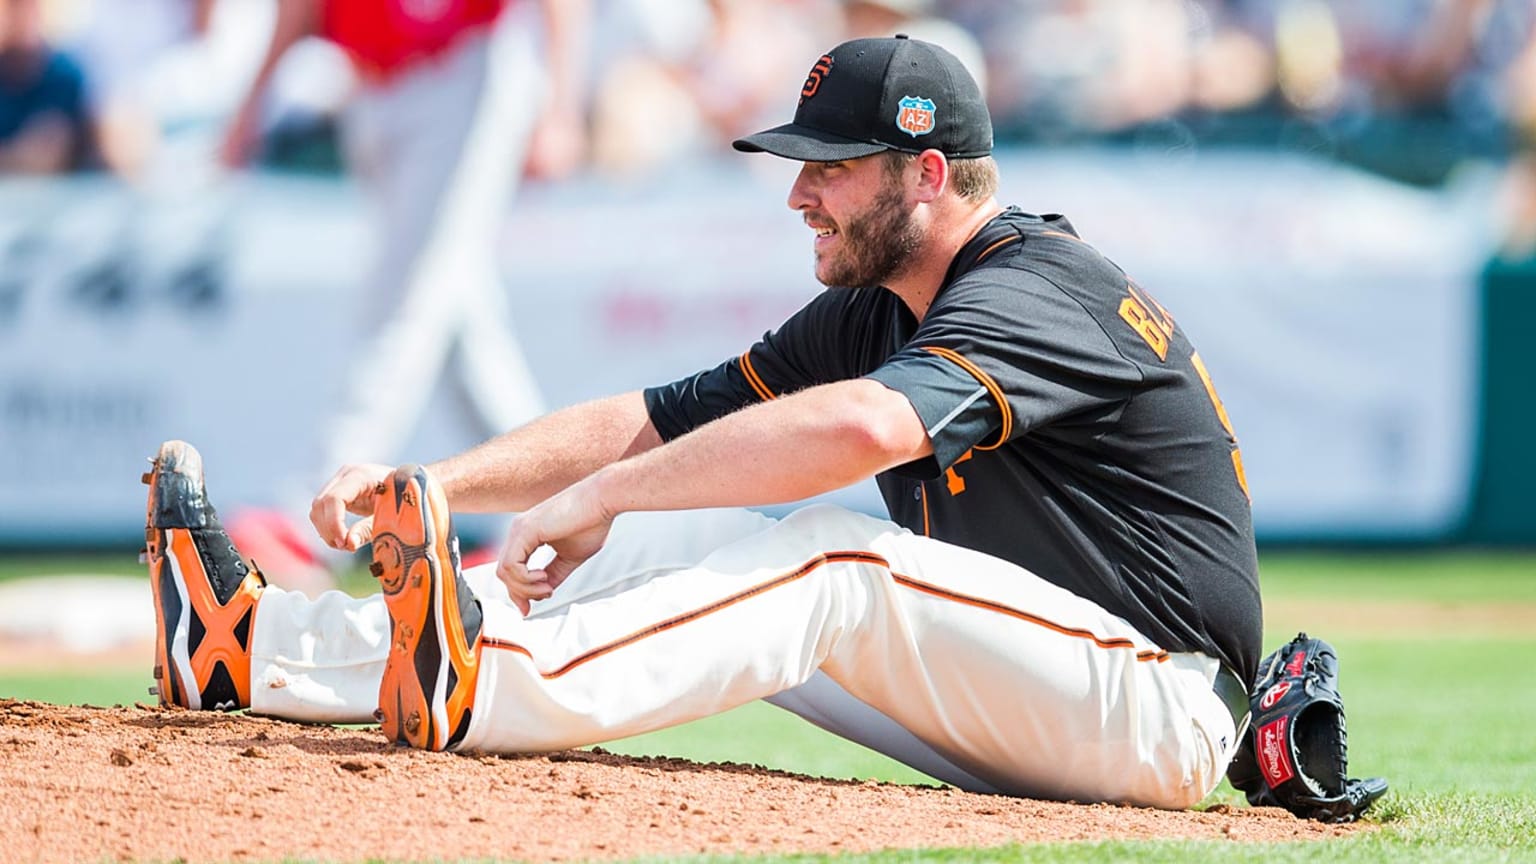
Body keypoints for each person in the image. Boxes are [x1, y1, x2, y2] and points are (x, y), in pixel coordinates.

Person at [143, 35, 1262, 809]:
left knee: (837, 562)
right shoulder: (879, 306)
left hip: (1157, 708)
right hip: (1038, 683)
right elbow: (656, 421)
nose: (797, 193)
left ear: (926, 174)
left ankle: (481, 686)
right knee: (666, 530)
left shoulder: (1036, 287)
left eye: (831, 165)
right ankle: (251, 653)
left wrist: (597, 496)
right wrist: (434, 484)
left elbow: (869, 432)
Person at [217, 0, 590, 590]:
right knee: (454, 310)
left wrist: (562, 104)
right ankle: (559, 511)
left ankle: (308, 521)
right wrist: (251, 100)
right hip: (369, 89)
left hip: (465, 72)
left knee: (406, 299)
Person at [0, 0, 95, 174]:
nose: (19, 17)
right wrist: (17, 156)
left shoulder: (66, 76)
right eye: (12, 7)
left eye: (27, 7)